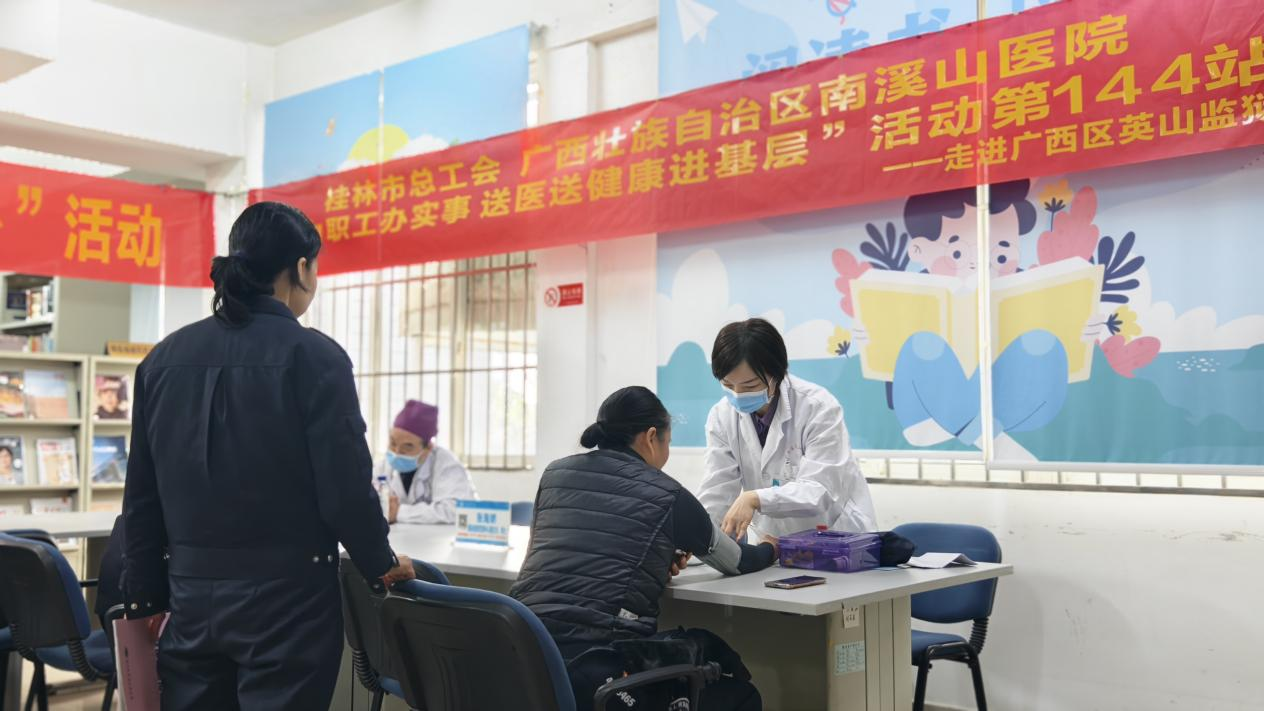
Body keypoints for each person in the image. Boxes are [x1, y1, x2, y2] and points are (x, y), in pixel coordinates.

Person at [121, 202, 415, 711]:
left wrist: (144, 594)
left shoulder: (162, 359)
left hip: (188, 599)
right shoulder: (314, 357)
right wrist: (380, 564)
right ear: (301, 268)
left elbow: (142, 494)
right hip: (289, 603)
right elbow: (344, 489)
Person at [512, 386, 773, 711]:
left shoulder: (554, 474)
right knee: (740, 696)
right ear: (651, 437)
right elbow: (736, 560)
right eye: (668, 442)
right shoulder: (668, 494)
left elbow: (561, 551)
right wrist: (771, 547)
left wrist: (653, 558)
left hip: (523, 659)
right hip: (600, 671)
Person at [698, 318, 876, 542]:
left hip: (835, 536)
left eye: (750, 385)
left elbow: (820, 490)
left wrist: (755, 499)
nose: (738, 394)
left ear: (777, 373)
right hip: (773, 541)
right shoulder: (721, 416)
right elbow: (717, 489)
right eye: (727, 384)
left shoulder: (818, 407)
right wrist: (696, 535)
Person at [376, 399, 476, 524]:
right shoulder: (382, 467)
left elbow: (455, 510)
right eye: (393, 443)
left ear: (428, 447)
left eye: (407, 447)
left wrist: (398, 512)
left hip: (438, 536)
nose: (396, 453)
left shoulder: (447, 465)